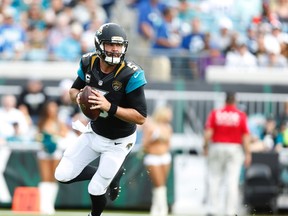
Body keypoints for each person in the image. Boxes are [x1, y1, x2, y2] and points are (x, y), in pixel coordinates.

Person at [54, 22, 147, 216]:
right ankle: (113, 176)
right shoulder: (89, 62)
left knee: (95, 189)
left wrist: (108, 106)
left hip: (118, 141)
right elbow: (73, 90)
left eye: (119, 45)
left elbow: (140, 117)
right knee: (61, 175)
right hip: (94, 132)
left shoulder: (131, 73)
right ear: (99, 45)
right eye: (110, 44)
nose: (115, 49)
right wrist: (78, 98)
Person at [203, 92, 251, 216]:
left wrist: (205, 146)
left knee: (214, 179)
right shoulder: (240, 115)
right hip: (234, 148)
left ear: (225, 101)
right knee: (232, 181)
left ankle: (212, 210)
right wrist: (248, 153)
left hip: (217, 146)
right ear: (235, 101)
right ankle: (230, 212)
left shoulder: (216, 113)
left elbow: (208, 132)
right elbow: (245, 136)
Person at [36, 99, 73, 215]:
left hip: (56, 152)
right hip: (43, 152)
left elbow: (65, 133)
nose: (52, 110)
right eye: (50, 107)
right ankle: (43, 205)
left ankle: (50, 205)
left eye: (54, 107)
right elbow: (38, 135)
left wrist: (55, 136)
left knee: (53, 178)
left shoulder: (59, 121)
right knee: (45, 178)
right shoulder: (42, 121)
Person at [142, 105, 173, 216]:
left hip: (165, 157)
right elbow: (144, 145)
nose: (170, 116)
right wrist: (153, 138)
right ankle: (163, 210)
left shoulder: (168, 128)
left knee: (161, 185)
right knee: (159, 184)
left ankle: (155, 209)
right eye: (169, 113)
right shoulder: (151, 126)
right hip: (152, 158)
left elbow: (169, 144)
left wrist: (163, 139)